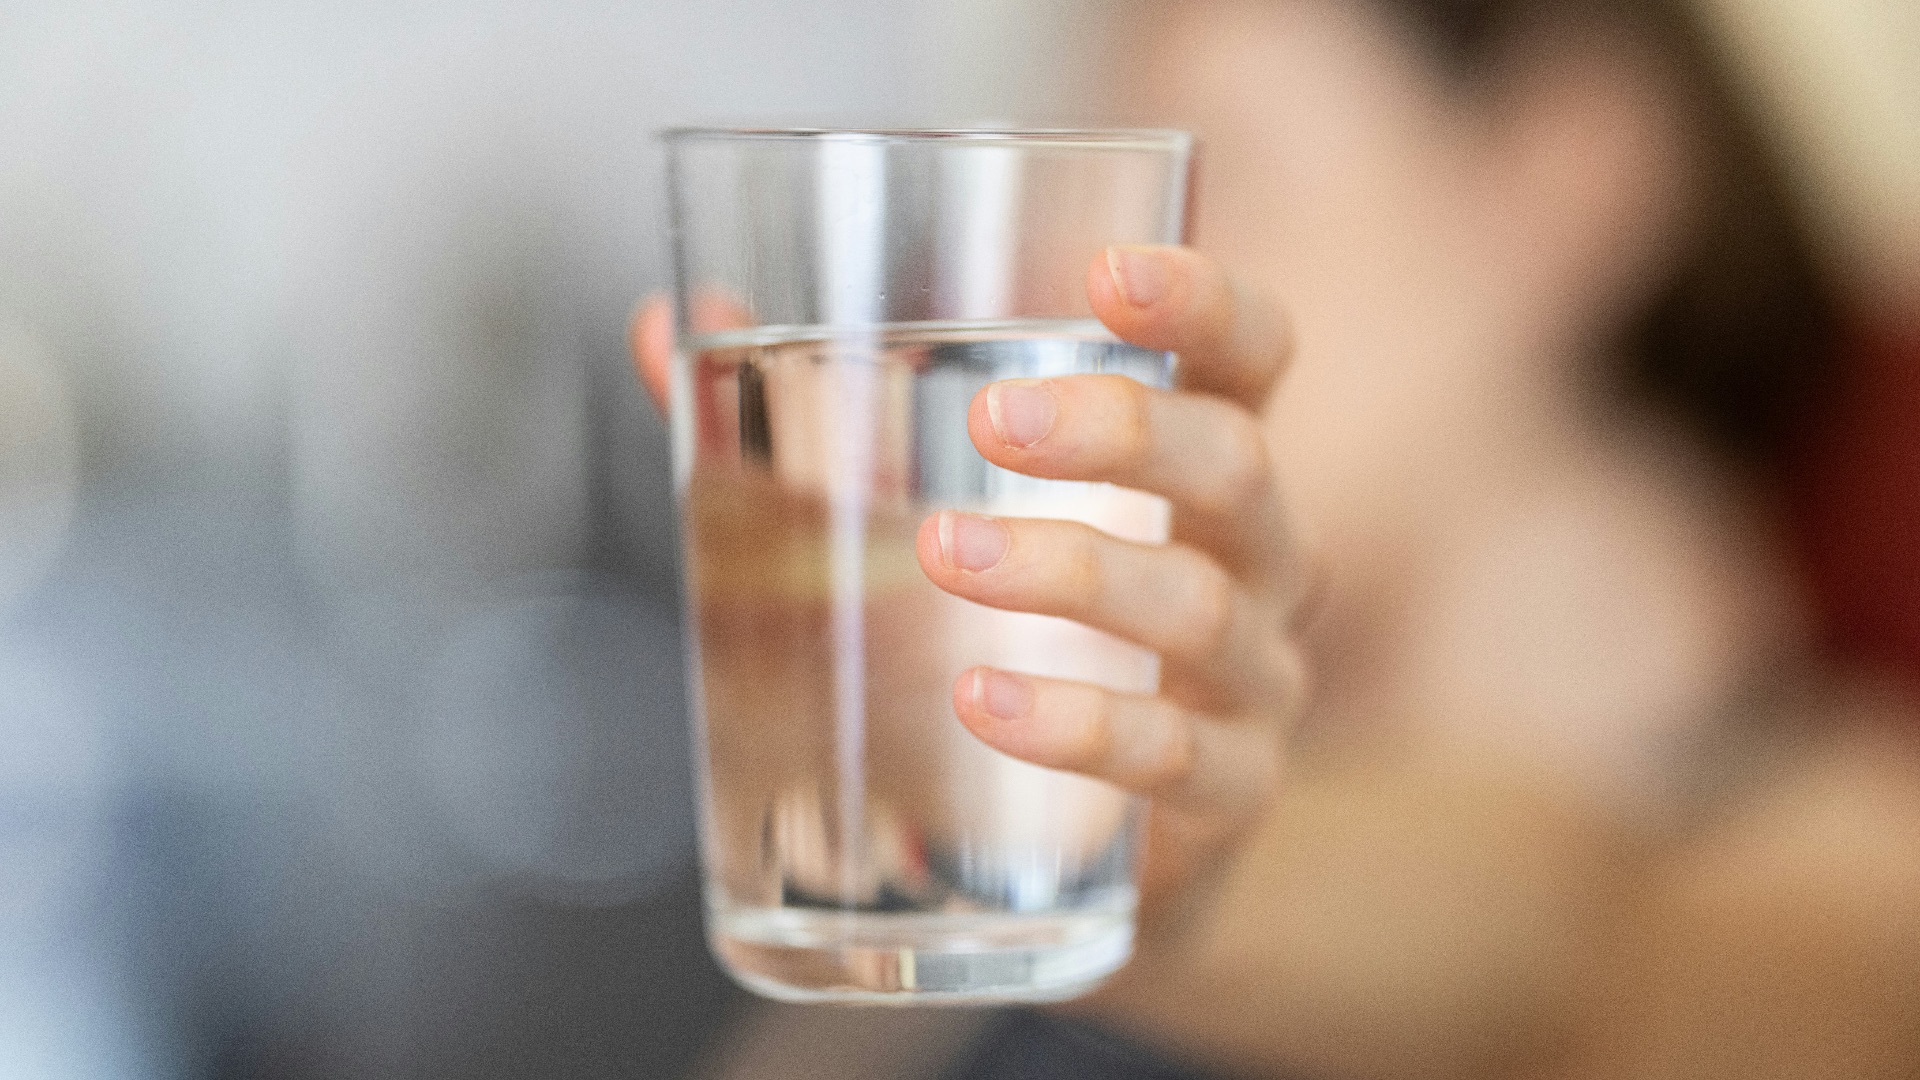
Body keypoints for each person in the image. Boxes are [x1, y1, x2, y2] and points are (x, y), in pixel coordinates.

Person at [633, 1, 1920, 1075]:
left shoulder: (1843, 851)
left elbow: (1589, 949)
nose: (1064, 285)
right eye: (1061, 201)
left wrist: (1172, 894)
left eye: (1212, 171)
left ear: (1566, 169)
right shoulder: (999, 872)